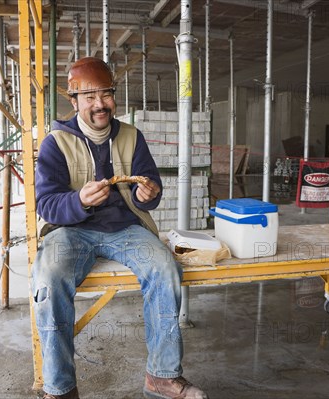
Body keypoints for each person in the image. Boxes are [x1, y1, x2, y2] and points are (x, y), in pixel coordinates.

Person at [31, 57, 208, 399]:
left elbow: (149, 186)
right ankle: (60, 387)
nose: (100, 104)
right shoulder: (56, 142)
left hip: (125, 228)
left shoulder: (131, 136)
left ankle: (162, 376)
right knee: (49, 280)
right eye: (89, 96)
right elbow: (47, 204)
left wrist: (148, 193)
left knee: (165, 269)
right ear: (74, 101)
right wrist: (79, 200)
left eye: (106, 94)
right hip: (70, 231)